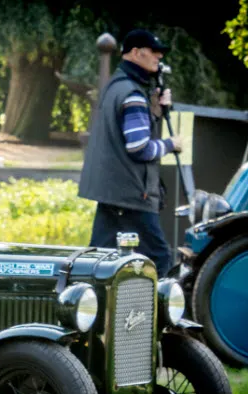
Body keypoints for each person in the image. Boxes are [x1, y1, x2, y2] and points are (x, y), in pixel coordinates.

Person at [77, 28, 182, 277]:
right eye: (153, 52)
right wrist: (170, 144)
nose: (158, 56)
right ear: (135, 53)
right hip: (132, 195)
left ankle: (91, 308)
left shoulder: (117, 86)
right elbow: (139, 148)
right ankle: (164, 314)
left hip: (112, 192)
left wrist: (154, 109)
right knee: (159, 257)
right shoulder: (133, 95)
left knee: (98, 258)